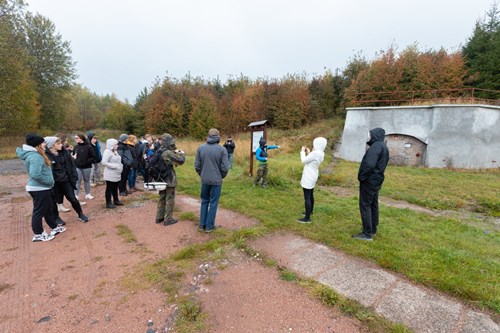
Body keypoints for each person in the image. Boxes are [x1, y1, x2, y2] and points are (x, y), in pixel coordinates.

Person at [16, 134, 66, 242]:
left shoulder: (36, 154)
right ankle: (38, 234)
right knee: (39, 211)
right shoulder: (36, 156)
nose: (45, 144)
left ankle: (54, 227)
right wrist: (49, 181)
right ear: (38, 145)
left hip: (41, 188)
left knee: (47, 208)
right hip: (39, 188)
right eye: (43, 143)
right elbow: (35, 174)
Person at [352, 128, 390, 241]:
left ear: (375, 135)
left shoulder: (376, 147)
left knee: (365, 205)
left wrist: (361, 177)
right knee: (373, 204)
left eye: (371, 134)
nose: (369, 136)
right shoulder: (383, 147)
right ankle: (372, 228)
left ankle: (367, 234)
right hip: (376, 180)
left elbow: (369, 164)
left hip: (369, 181)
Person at [45, 136, 89, 223]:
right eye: (58, 143)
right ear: (51, 146)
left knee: (72, 198)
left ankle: (80, 214)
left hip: (66, 181)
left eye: (60, 143)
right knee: (54, 201)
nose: (61, 145)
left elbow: (72, 165)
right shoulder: (46, 156)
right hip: (54, 183)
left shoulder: (65, 153)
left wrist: (74, 176)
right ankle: (56, 218)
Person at [194, 128, 229, 232]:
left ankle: (202, 225)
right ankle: (209, 227)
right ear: (218, 136)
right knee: (213, 203)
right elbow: (225, 168)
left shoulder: (201, 148)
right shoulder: (222, 150)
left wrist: (202, 174)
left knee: (204, 201)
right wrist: (221, 176)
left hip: (205, 179)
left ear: (208, 136)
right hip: (216, 181)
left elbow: (197, 165)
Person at [155, 134, 186, 226]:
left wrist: (173, 150)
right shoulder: (167, 153)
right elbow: (180, 161)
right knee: (170, 198)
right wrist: (181, 154)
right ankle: (168, 219)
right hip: (168, 178)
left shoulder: (159, 150)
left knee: (162, 197)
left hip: (160, 178)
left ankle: (159, 217)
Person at [298, 137, 327, 223]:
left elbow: (304, 160)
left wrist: (302, 151)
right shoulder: (321, 153)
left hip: (308, 175)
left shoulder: (315, 153)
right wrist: (309, 152)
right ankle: (310, 212)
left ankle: (307, 218)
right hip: (313, 174)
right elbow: (312, 158)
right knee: (310, 194)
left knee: (307, 197)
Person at [73, 133, 97, 201]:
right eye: (75, 138)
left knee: (87, 180)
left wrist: (87, 161)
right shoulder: (76, 147)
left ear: (81, 138)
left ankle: (88, 194)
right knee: (78, 180)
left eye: (77, 138)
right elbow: (74, 156)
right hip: (78, 166)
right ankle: (76, 195)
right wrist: (75, 160)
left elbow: (94, 156)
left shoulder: (88, 147)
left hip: (87, 167)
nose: (75, 139)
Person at [101, 138, 124, 209]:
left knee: (115, 187)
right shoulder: (107, 151)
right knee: (109, 188)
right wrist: (115, 166)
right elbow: (104, 162)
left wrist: (120, 166)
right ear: (112, 145)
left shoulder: (115, 151)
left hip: (116, 174)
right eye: (116, 144)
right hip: (110, 173)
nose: (117, 145)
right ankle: (108, 203)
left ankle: (116, 200)